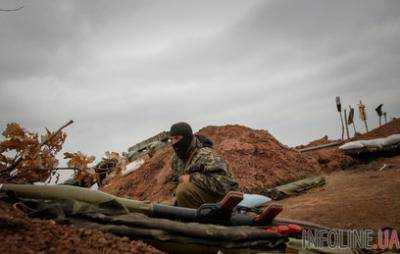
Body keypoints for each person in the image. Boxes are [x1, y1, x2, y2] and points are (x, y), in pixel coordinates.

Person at [169, 122, 239, 208]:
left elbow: (224, 185)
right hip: (201, 195)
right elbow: (176, 181)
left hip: (224, 198)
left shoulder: (206, 155)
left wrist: (192, 178)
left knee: (183, 191)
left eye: (176, 138)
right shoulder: (176, 160)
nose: (173, 143)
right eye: (171, 139)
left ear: (187, 138)